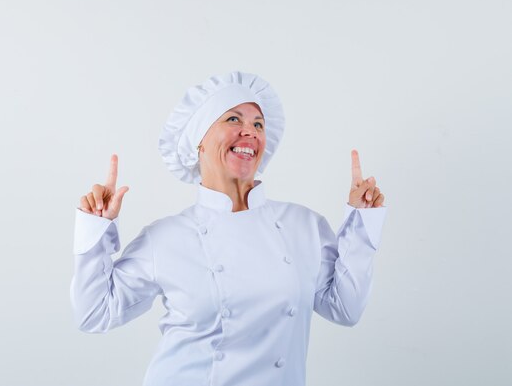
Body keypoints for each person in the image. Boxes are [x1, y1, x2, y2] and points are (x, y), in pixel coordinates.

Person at [71, 71, 388, 386]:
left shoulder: (303, 226)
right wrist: (96, 224)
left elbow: (345, 309)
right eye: (234, 119)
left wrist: (361, 224)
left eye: (258, 124)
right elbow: (95, 312)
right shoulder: (165, 238)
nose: (250, 132)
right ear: (200, 142)